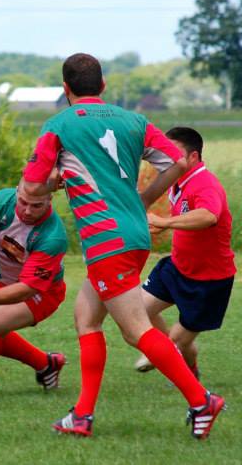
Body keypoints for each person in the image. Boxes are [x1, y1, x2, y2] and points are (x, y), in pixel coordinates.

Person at [22, 53, 225, 440]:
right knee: (86, 316)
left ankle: (202, 401)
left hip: (105, 238)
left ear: (66, 89)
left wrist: (57, 180)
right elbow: (179, 163)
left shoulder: (59, 126)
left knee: (136, 331)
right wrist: (144, 199)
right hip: (133, 233)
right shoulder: (135, 121)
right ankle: (81, 415)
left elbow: (31, 187)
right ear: (102, 87)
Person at [134, 127, 236, 379]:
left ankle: (176, 359)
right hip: (177, 267)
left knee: (179, 342)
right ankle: (175, 355)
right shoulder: (176, 179)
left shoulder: (204, 183)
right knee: (136, 310)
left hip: (209, 281)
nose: (169, 158)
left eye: (175, 153)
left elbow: (208, 216)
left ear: (193, 157)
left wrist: (165, 222)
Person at [0, 181, 68, 395]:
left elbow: (26, 289)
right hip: (1, 279)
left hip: (40, 293)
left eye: (36, 205)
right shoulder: (1, 201)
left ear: (50, 200)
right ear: (17, 193)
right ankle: (46, 364)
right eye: (23, 202)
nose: (27, 211)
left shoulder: (53, 236)